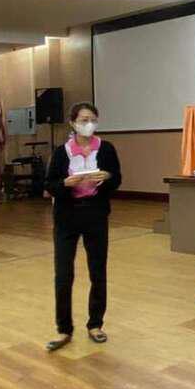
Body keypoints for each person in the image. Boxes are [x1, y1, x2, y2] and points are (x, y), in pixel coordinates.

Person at [44, 102, 122, 352]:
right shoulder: (62, 152)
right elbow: (49, 184)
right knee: (63, 273)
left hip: (95, 214)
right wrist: (65, 184)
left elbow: (117, 178)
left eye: (92, 119)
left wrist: (107, 177)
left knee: (97, 270)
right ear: (73, 123)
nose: (88, 124)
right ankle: (64, 329)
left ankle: (95, 324)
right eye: (83, 120)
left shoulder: (106, 148)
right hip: (67, 216)